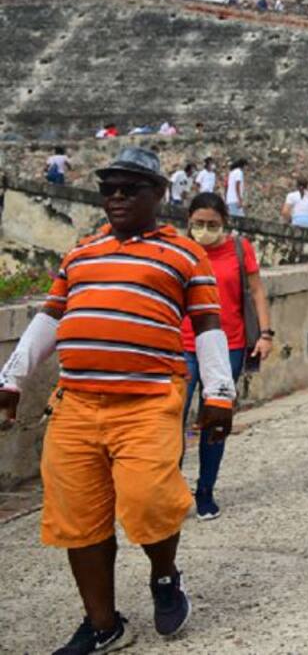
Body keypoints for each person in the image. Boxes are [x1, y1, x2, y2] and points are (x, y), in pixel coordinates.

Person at [0, 147, 235, 652]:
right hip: (77, 402)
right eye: (110, 188)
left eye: (131, 188)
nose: (118, 197)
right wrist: (12, 377)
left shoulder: (183, 252)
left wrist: (218, 391)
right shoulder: (81, 252)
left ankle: (165, 575)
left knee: (149, 501)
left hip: (148, 398)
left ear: (159, 194)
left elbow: (207, 323)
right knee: (77, 517)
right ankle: (104, 625)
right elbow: (51, 317)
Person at [180, 193, 273, 519]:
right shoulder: (181, 250)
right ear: (188, 222)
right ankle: (169, 492)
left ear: (225, 224)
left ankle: (206, 490)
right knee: (169, 420)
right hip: (184, 343)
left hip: (227, 344)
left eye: (212, 224)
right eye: (198, 224)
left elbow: (256, 290)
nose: (204, 230)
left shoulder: (238, 248)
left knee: (215, 420)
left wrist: (265, 333)